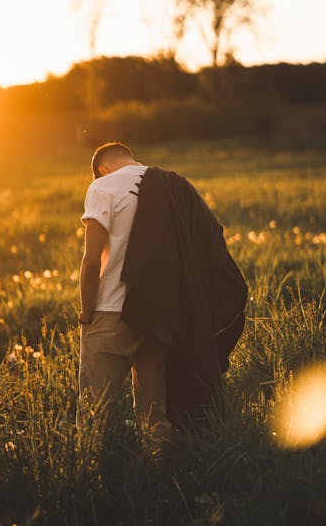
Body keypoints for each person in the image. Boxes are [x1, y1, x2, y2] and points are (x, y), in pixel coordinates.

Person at [78, 141, 247, 437]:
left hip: (110, 314)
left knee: (93, 413)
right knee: (154, 417)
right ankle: (159, 475)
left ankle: (87, 477)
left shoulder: (102, 187)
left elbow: (92, 261)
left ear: (101, 169)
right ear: (130, 158)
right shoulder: (171, 185)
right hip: (157, 316)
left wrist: (85, 315)